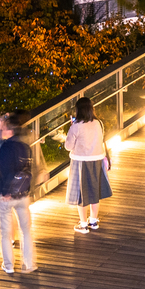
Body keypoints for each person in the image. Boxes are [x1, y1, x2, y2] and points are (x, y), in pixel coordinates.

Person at [0, 113, 35, 275]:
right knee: (26, 230)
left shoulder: (5, 148)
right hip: (23, 193)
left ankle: (9, 265)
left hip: (6, 195)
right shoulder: (25, 146)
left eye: (3, 128)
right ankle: (29, 264)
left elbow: (6, 170)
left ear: (8, 131)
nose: (1, 130)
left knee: (4, 231)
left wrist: (6, 192)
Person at [63, 97, 112, 232]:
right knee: (94, 191)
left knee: (81, 193)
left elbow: (68, 146)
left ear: (78, 110)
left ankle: (83, 224)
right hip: (97, 160)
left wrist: (71, 129)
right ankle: (93, 221)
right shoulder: (98, 123)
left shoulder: (76, 126)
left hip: (80, 162)